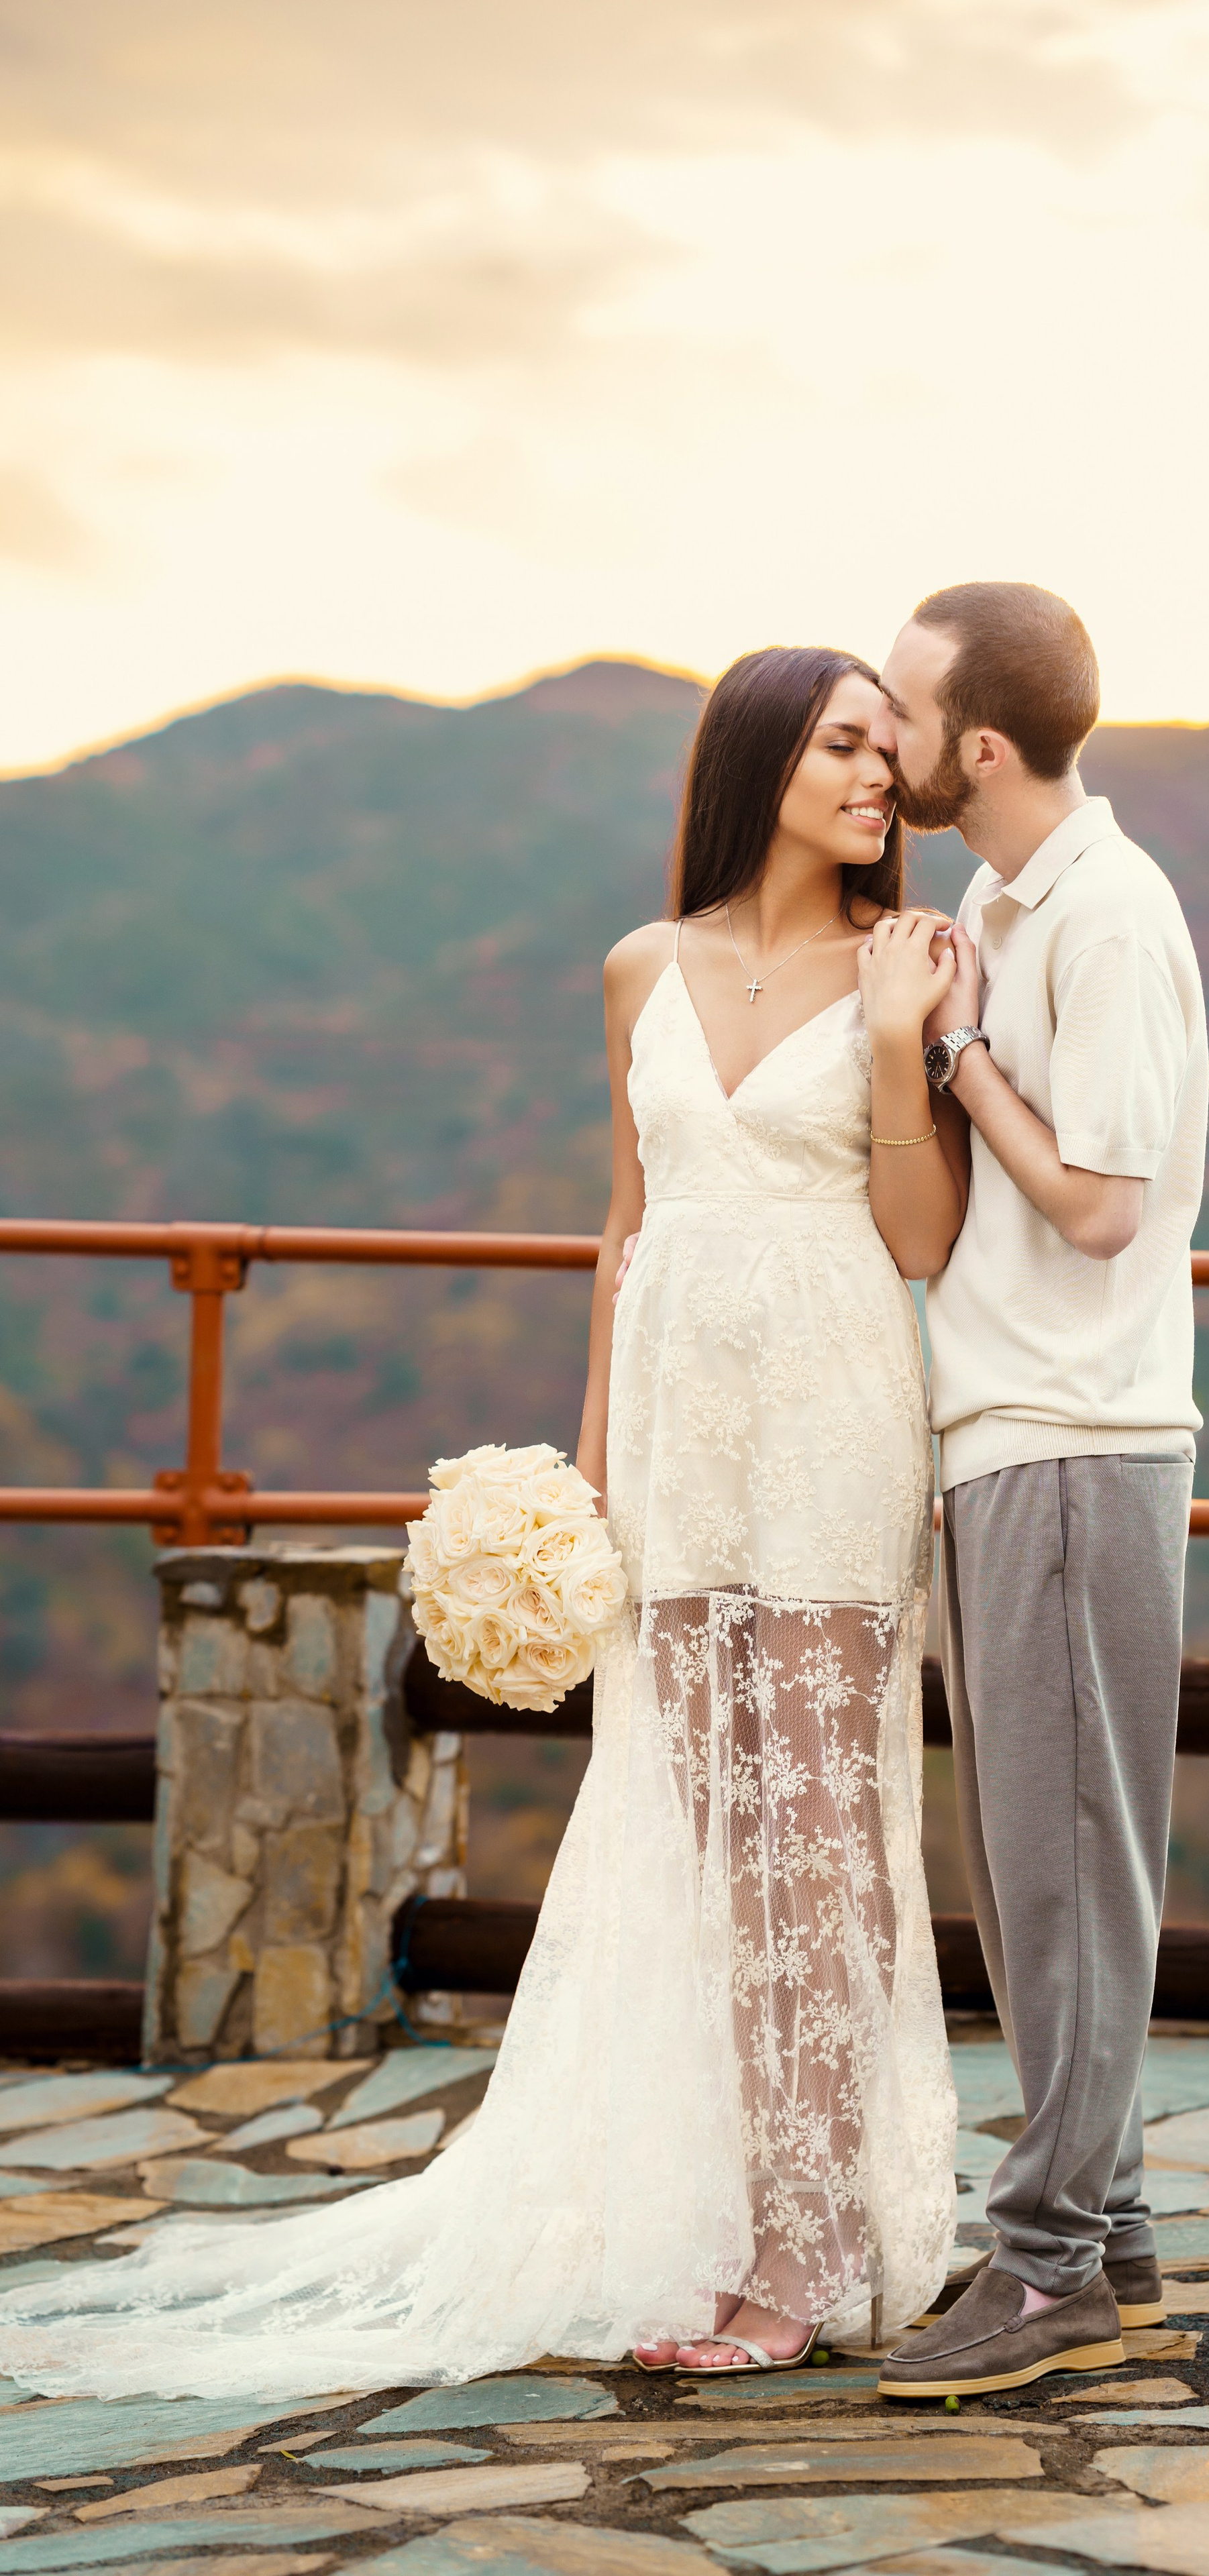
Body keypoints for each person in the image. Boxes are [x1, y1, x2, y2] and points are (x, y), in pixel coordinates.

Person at [0, 645, 963, 2400]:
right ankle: (745, 2217)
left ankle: (821, 2250)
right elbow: (623, 1223)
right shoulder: (640, 971)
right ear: (759, 761)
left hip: (831, 1415)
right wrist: (588, 1477)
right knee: (702, 1835)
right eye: (844, 744)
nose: (877, 777)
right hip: (679, 1434)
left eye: (889, 751)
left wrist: (901, 1049)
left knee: (819, 1829)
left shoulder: (905, 965)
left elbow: (919, 1241)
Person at [868, 583, 1208, 2401]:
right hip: (1005, 1434)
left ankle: (1052, 2266)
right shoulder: (1010, 904)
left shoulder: (1113, 915)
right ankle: (1117, 2222)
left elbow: (1099, 1205)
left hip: (1079, 1437)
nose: (890, 734)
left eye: (908, 711)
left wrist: (956, 1052)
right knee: (1031, 1877)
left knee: (1067, 1874)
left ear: (976, 747)